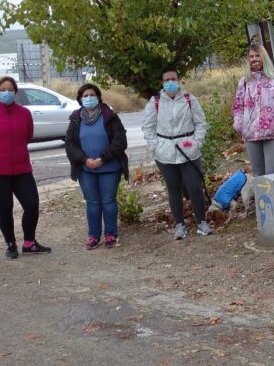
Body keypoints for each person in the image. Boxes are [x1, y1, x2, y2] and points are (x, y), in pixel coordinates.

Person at [0, 76, 51, 258]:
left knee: (31, 204)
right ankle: (11, 244)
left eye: (10, 89)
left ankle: (29, 243)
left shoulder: (24, 113)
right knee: (5, 206)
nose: (7, 92)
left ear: (15, 91)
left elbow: (27, 135)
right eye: (2, 89)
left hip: (21, 167)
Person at [143, 66, 212, 240]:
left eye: (173, 79)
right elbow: (148, 127)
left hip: (188, 149)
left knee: (194, 187)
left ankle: (202, 222)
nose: (170, 83)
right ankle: (179, 225)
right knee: (174, 190)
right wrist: (156, 146)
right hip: (165, 152)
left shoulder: (189, 99)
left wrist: (196, 143)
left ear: (179, 80)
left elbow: (201, 123)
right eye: (167, 80)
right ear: (162, 83)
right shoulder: (155, 102)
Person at [65, 83, 129, 249]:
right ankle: (93, 235)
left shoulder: (109, 115)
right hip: (86, 169)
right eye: (84, 96)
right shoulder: (75, 118)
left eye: (91, 95)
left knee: (108, 201)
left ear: (98, 97)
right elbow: (70, 144)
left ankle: (110, 234)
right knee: (92, 202)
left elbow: (120, 141)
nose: (88, 98)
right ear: (80, 99)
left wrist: (102, 159)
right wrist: (85, 160)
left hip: (109, 167)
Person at [232, 44, 274, 176]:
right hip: (250, 134)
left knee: (272, 175)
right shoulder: (244, 81)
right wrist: (240, 124)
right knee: (258, 175)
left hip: (273, 134)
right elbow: (238, 107)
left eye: (257, 55)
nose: (254, 59)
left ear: (264, 57)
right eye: (251, 56)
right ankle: (261, 198)